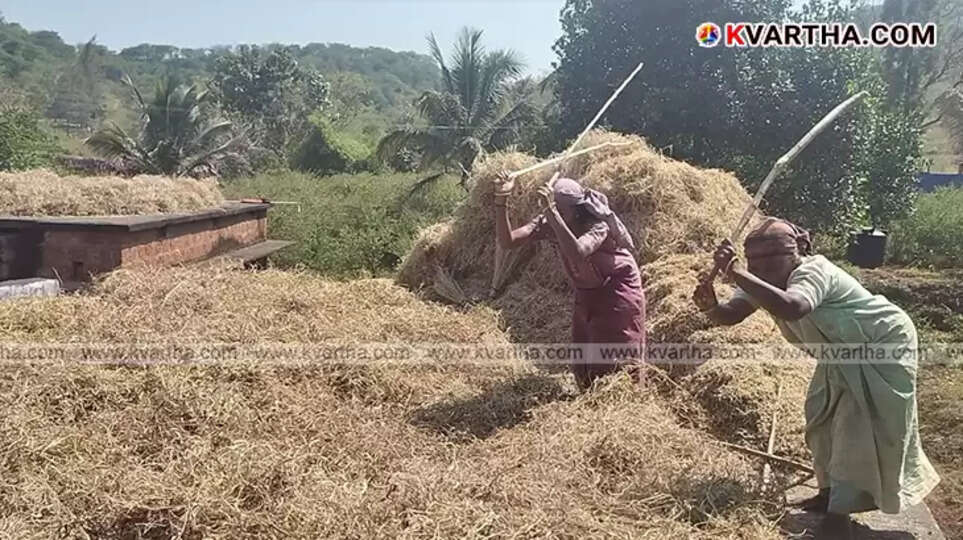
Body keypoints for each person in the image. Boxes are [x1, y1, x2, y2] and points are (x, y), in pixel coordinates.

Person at [692, 218, 940, 539]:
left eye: (773, 257)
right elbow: (732, 314)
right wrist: (711, 306)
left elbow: (794, 307)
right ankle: (828, 495)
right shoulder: (763, 282)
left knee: (856, 427)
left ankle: (839, 517)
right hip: (839, 352)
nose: (764, 267)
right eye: (757, 261)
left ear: (797, 251)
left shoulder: (812, 272)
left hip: (881, 343)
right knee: (820, 418)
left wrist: (738, 271)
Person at [493, 172, 646, 390]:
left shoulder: (597, 225)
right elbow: (507, 241)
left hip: (618, 291)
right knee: (584, 354)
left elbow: (578, 252)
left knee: (616, 356)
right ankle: (588, 399)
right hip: (588, 292)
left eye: (561, 209)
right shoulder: (551, 220)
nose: (556, 213)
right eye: (554, 208)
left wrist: (551, 212)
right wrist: (502, 200)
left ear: (576, 211)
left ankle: (624, 402)